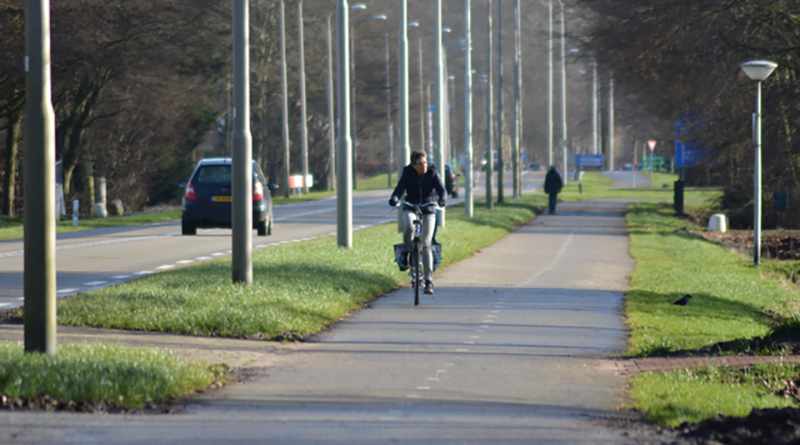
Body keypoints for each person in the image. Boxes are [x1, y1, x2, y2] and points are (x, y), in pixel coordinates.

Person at [389, 150, 446, 295]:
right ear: (414, 165)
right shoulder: (407, 173)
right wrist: (395, 198)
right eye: (421, 163)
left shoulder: (432, 172)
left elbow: (441, 189)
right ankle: (408, 252)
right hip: (411, 206)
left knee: (426, 243)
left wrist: (442, 199)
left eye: (425, 162)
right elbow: (400, 189)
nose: (424, 165)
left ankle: (428, 280)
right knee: (408, 227)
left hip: (428, 208)